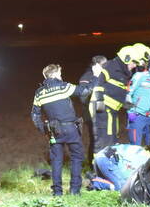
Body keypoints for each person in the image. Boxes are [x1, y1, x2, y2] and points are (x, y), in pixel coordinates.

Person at [31, 63, 99, 196]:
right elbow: (86, 90)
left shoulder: (39, 93)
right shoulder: (63, 87)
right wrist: (96, 76)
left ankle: (57, 192)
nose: (61, 76)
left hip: (53, 131)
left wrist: (44, 129)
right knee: (77, 158)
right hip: (70, 129)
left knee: (56, 161)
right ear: (55, 74)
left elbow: (35, 115)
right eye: (60, 74)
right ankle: (74, 190)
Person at [92, 45, 137, 151]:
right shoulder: (110, 67)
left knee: (113, 138)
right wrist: (100, 110)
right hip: (104, 110)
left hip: (113, 111)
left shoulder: (122, 71)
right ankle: (98, 165)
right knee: (104, 140)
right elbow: (97, 86)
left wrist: (124, 103)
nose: (135, 66)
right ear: (126, 59)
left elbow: (116, 91)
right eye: (133, 62)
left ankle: (109, 164)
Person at [78, 55, 107, 161]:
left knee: (104, 138)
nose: (106, 67)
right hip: (91, 114)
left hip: (102, 112)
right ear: (96, 65)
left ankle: (103, 163)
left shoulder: (103, 75)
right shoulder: (86, 77)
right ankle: (92, 164)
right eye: (104, 65)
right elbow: (83, 97)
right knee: (95, 139)